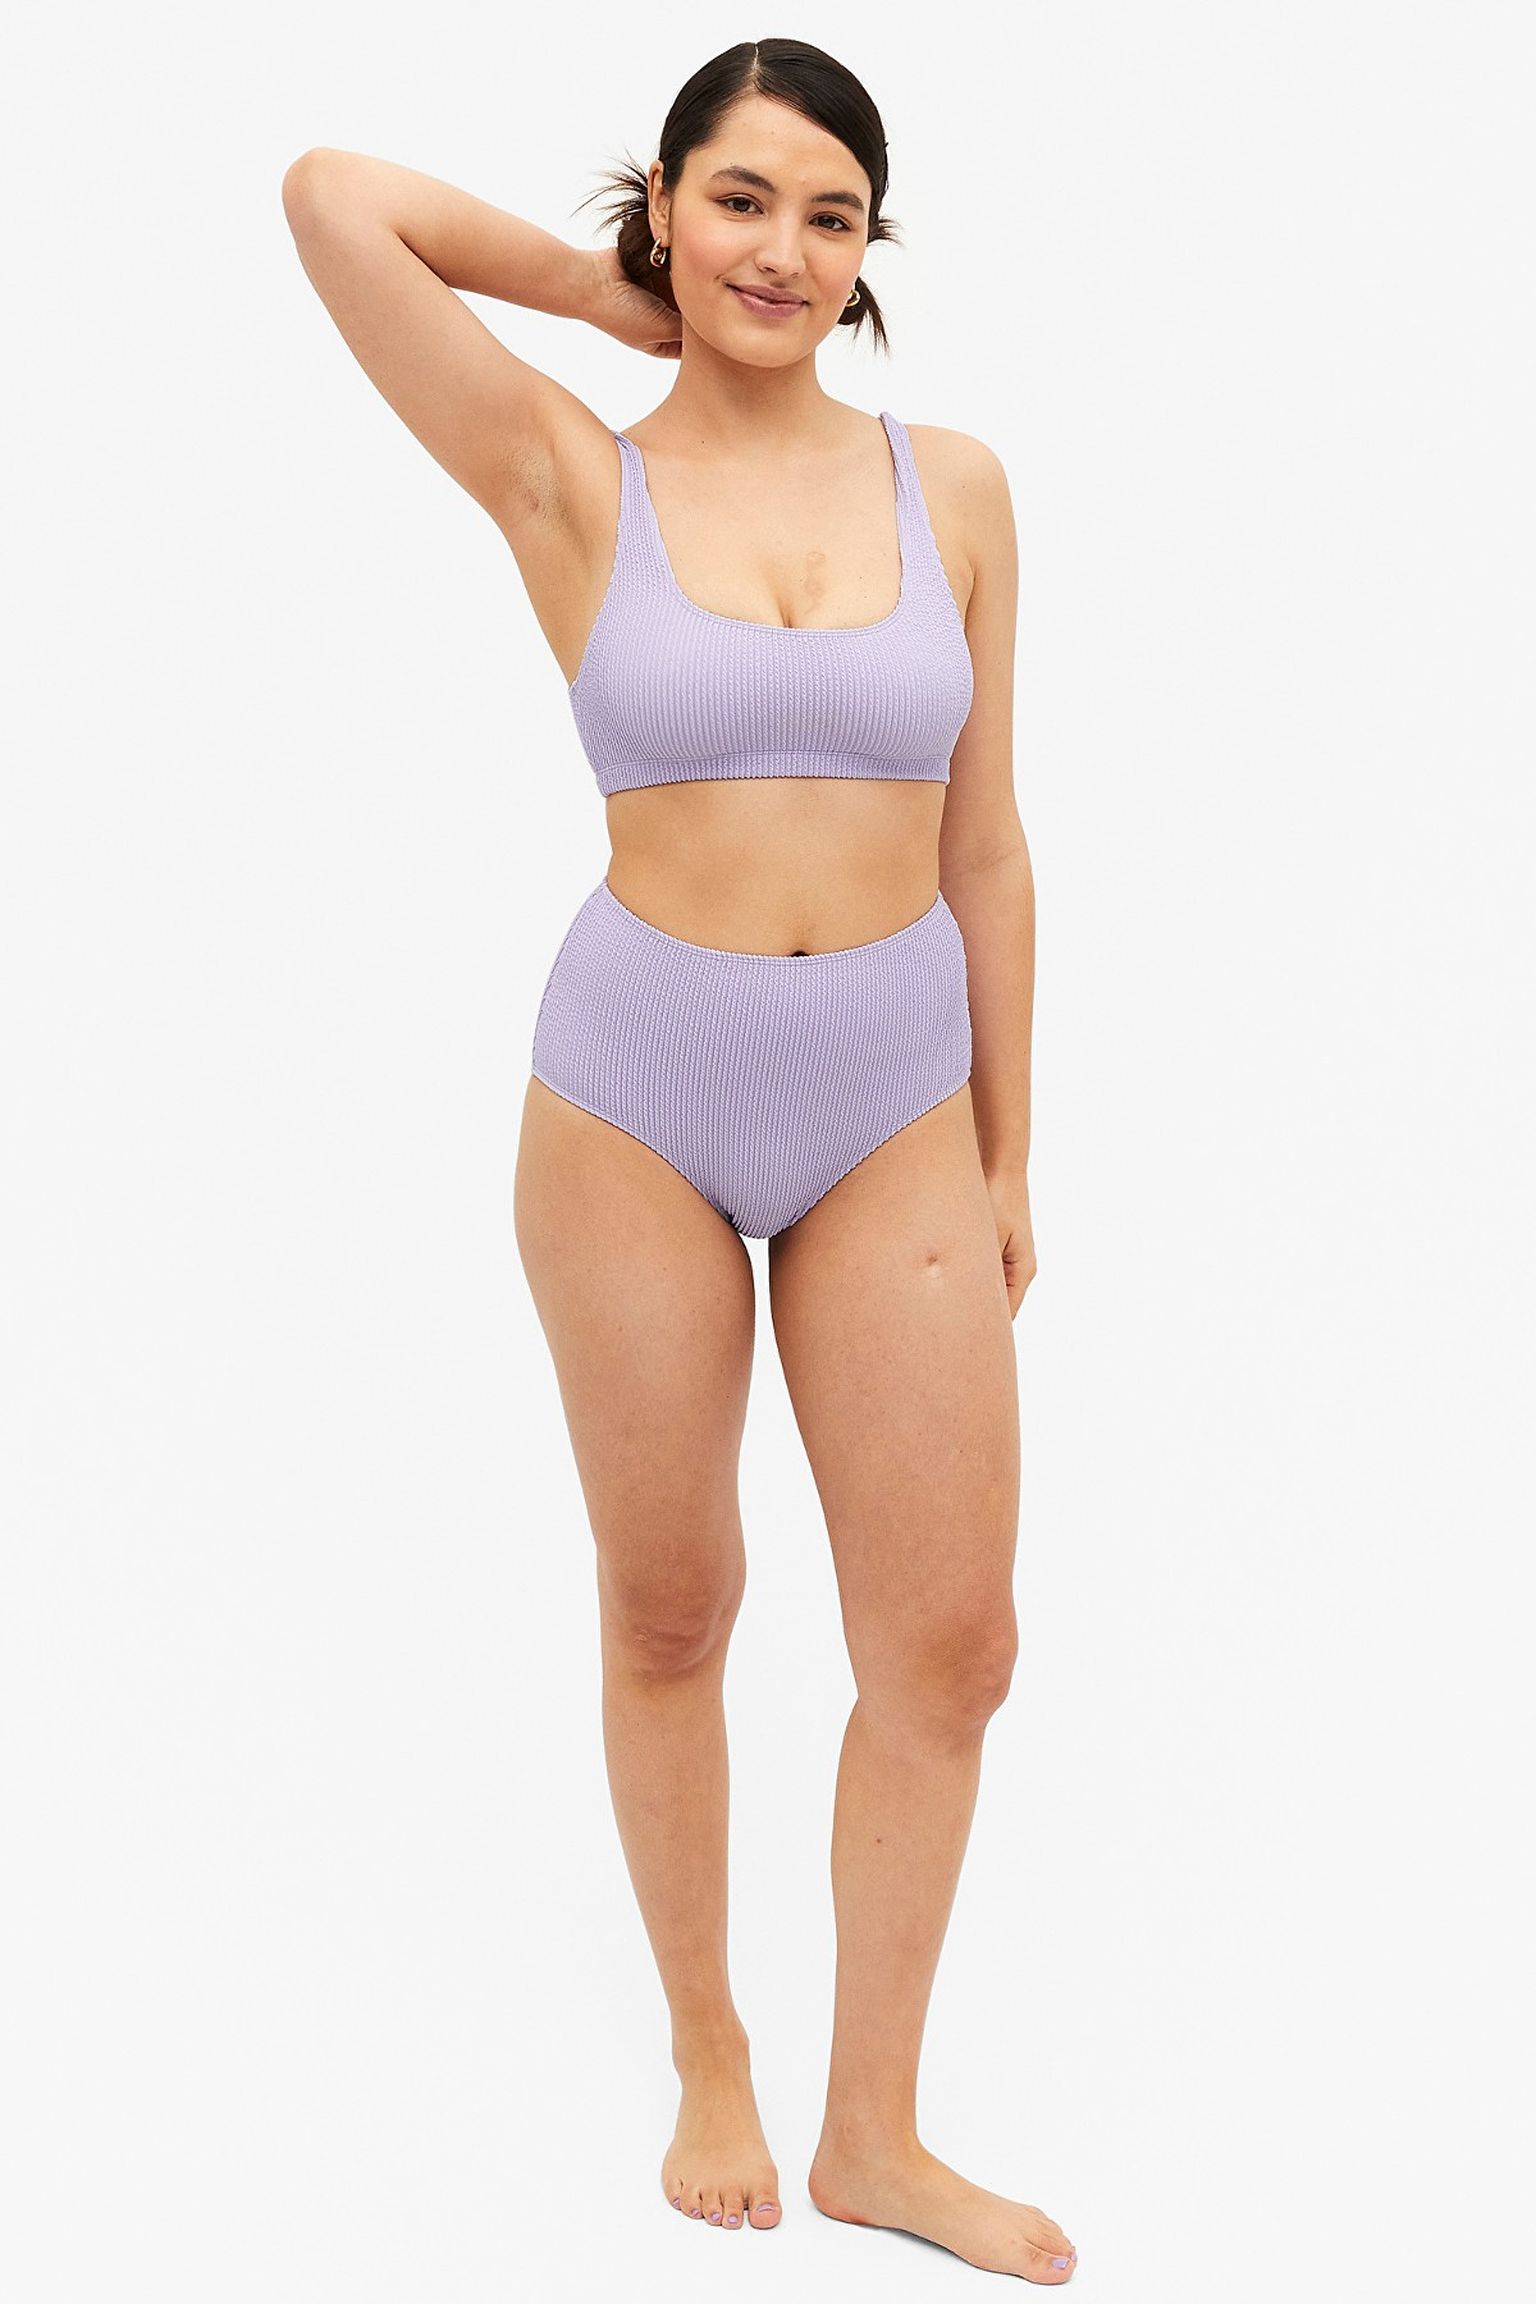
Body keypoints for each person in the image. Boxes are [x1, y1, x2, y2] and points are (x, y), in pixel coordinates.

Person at [282, 33, 1074, 2285]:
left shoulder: (958, 488)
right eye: (740, 200)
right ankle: (707, 2049)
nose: (784, 252)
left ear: (873, 246)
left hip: (895, 1095)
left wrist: (1013, 1154)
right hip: (634, 1088)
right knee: (672, 1607)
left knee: (953, 1644)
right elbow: (333, 194)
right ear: (668, 204)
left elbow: (991, 848)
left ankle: (875, 2133)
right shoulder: (567, 471)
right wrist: (604, 296)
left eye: (831, 216)